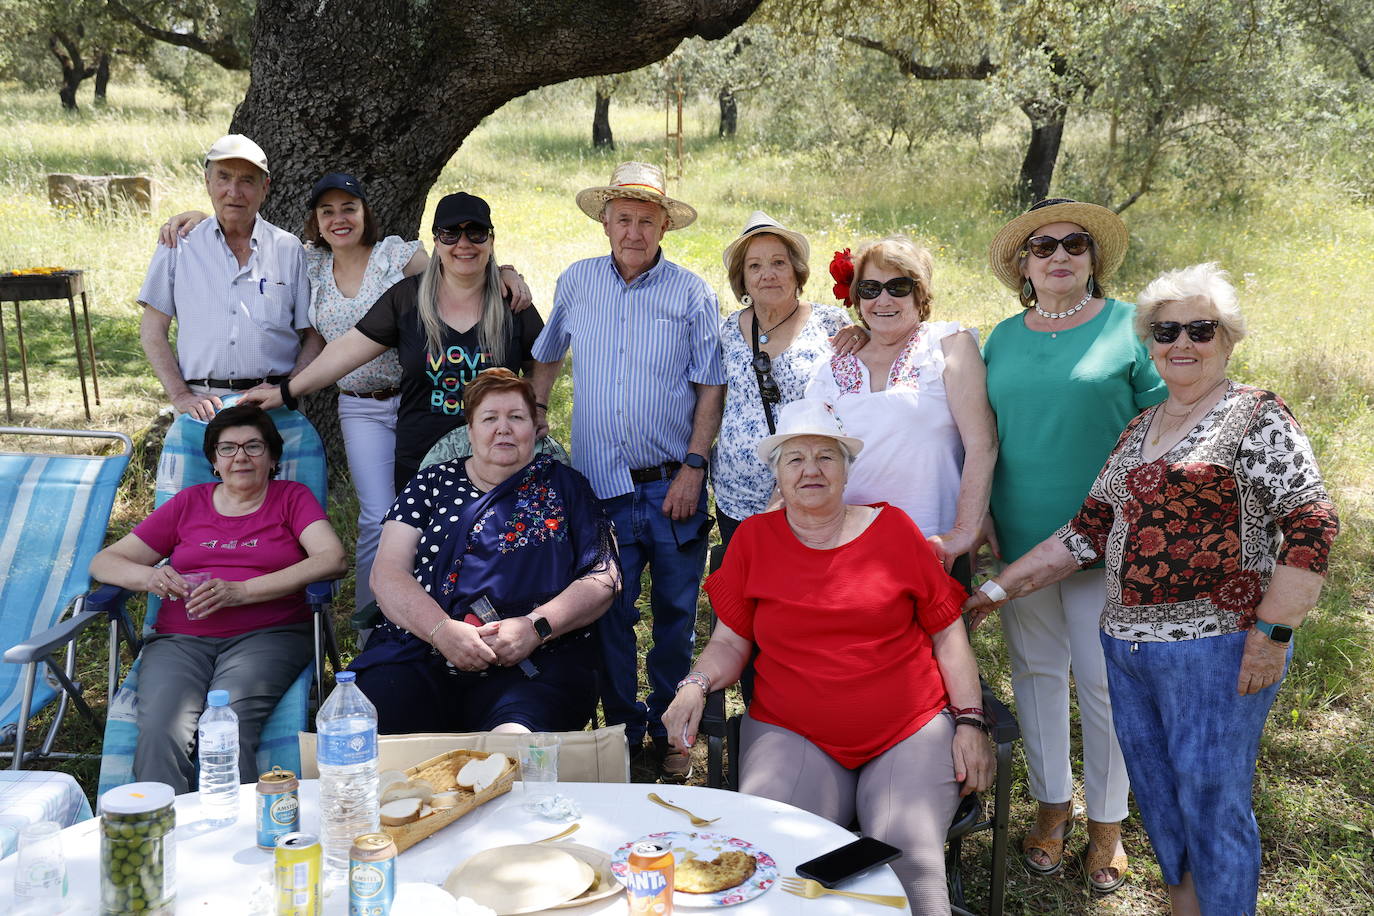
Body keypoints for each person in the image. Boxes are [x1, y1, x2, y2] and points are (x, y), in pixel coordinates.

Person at [965, 263, 1339, 915]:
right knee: (1163, 802)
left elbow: (1311, 519)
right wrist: (995, 593)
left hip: (1216, 652)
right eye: (1166, 331)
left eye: (1201, 328)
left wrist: (1274, 634)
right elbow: (1085, 533)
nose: (1182, 343)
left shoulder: (1255, 414)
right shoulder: (1140, 430)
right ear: (1150, 342)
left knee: (1212, 806)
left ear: (1229, 338)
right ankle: (1183, 903)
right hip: (1129, 651)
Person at [663, 398, 995, 912]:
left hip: (907, 729)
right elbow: (729, 642)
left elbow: (948, 635)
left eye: (826, 456)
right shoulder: (753, 539)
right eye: (795, 459)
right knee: (777, 850)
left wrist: (971, 722)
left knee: (907, 858)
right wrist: (694, 684)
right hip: (792, 731)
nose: (811, 470)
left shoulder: (895, 531)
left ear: (846, 468)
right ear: (778, 474)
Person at [979, 197, 1166, 891]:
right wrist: (983, 516)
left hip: (1110, 543)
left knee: (1103, 683)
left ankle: (1109, 825)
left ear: (1094, 259)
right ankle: (1052, 809)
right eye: (1044, 246)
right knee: (1036, 673)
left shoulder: (1129, 329)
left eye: (1075, 244)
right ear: (1024, 265)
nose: (1059, 255)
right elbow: (984, 434)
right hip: (1023, 542)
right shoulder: (999, 337)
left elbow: (1161, 430)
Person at [530, 161, 724, 779]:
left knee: (673, 615)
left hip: (671, 484)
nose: (633, 231)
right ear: (605, 223)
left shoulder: (690, 292)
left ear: (664, 224)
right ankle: (620, 728)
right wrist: (536, 413)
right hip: (597, 488)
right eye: (623, 219)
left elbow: (710, 385)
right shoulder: (578, 281)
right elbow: (546, 357)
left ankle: (675, 730)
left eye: (646, 220)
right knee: (608, 613)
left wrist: (695, 464)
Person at [89, 405, 347, 791]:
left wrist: (243, 591)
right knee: (161, 730)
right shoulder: (188, 503)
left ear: (273, 457)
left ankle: (236, 832)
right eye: (227, 448)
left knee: (231, 728)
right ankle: (164, 835)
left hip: (269, 635)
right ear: (213, 460)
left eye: (253, 446)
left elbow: (333, 558)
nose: (240, 456)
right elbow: (104, 561)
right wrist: (151, 576)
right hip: (180, 639)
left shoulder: (291, 498)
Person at [349, 369, 621, 733]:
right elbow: (387, 574)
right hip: (420, 650)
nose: (503, 428)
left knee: (514, 749)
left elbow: (604, 575)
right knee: (367, 732)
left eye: (517, 417)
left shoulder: (566, 485)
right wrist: (442, 631)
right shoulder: (430, 484)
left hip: (535, 660)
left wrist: (534, 627)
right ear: (471, 430)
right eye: (490, 418)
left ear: (535, 427)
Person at [243, 191, 543, 493]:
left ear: (491, 240)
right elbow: (346, 350)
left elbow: (546, 355)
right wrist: (286, 391)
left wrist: (537, 406)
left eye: (475, 233)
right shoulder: (408, 298)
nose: (463, 244)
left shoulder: (512, 301)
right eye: (450, 234)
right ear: (437, 242)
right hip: (423, 458)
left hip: (498, 457)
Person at [138, 134, 325, 502]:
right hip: (201, 412)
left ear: (265, 187)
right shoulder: (178, 245)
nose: (233, 191)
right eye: (223, 177)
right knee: (188, 520)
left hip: (272, 412)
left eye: (247, 180)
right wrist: (180, 395)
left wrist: (286, 390)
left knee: (281, 522)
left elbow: (314, 335)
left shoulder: (288, 249)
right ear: (207, 182)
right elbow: (152, 331)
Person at [805, 235, 997, 585]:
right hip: (845, 546)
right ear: (856, 296)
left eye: (898, 286)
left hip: (931, 545)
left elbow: (982, 443)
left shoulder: (948, 345)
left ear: (919, 293)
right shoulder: (832, 366)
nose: (883, 299)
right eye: (870, 288)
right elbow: (807, 456)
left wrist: (965, 530)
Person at [713, 211, 866, 547]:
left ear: (797, 270)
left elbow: (857, 391)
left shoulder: (831, 322)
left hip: (810, 491)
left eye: (778, 263)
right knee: (747, 589)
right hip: (737, 495)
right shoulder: (727, 329)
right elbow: (712, 402)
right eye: (754, 266)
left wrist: (863, 335)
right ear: (742, 277)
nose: (767, 274)